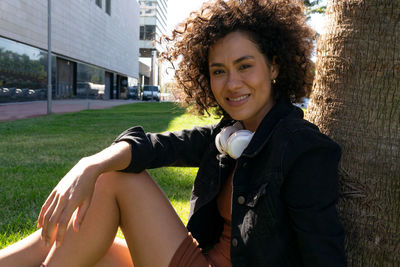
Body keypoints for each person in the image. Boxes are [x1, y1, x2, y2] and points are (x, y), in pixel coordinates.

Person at [0, 0, 346, 266]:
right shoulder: (228, 134)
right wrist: (88, 164)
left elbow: (323, 256)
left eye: (245, 66)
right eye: (219, 71)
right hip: (201, 257)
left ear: (274, 65)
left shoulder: (304, 150)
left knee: (116, 180)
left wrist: (96, 171)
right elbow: (153, 146)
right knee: (89, 240)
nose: (232, 83)